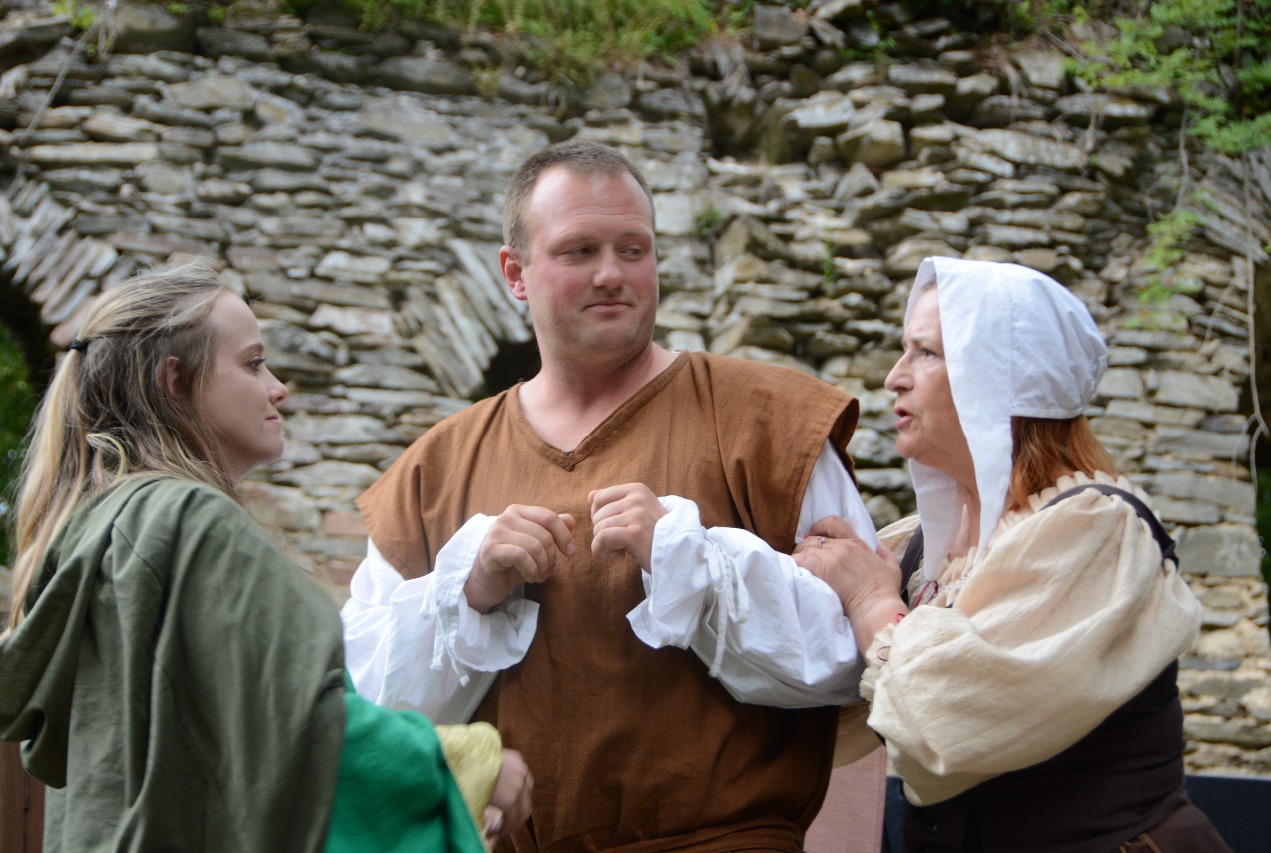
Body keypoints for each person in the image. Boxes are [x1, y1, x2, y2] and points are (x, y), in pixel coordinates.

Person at [341, 140, 884, 851]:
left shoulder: (771, 424)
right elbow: (368, 707)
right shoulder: (433, 472)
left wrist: (691, 562)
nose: (612, 274)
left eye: (634, 249)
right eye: (579, 251)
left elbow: (855, 651)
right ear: (515, 273)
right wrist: (468, 592)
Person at [0, 264, 532, 852]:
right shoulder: (186, 523)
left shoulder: (98, 532)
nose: (279, 388)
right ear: (174, 381)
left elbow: (211, 753)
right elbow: (302, 728)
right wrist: (464, 762)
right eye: (253, 363)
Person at [793, 257, 1231, 851]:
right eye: (904, 351)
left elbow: (948, 719)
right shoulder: (926, 546)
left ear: (999, 379)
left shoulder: (1095, 529)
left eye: (926, 353)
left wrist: (871, 598)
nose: (895, 377)